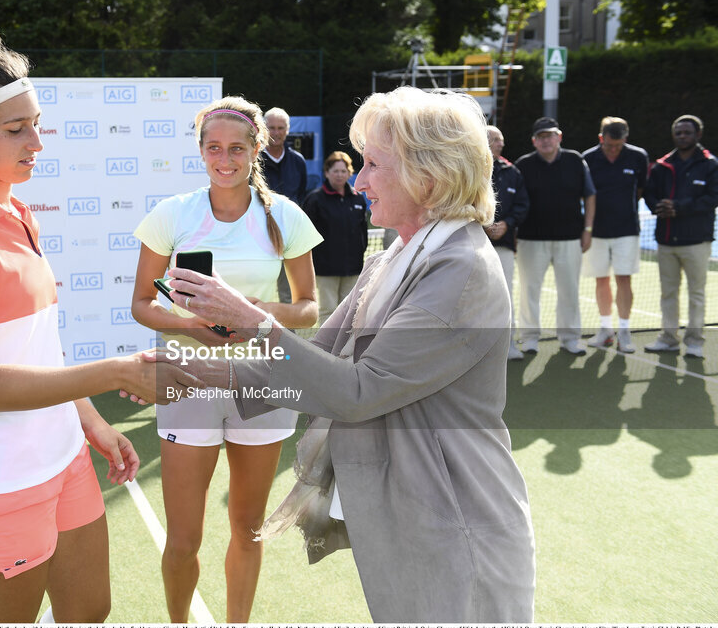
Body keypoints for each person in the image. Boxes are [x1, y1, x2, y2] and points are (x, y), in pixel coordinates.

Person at [156, 86, 535, 622]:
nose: (357, 181)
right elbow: (320, 357)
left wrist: (249, 317)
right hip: (415, 517)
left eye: (373, 164)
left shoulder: (461, 269)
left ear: (430, 174)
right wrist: (193, 373)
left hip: (457, 524)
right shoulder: (398, 256)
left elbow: (356, 391)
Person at [0, 11, 196, 624]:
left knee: (90, 614)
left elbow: (38, 350)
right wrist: (115, 371)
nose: (36, 144)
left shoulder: (15, 209)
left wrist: (88, 421)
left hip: (64, 461)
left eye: (36, 126)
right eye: (17, 130)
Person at [130, 96, 321, 622]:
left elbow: (307, 308)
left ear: (257, 148)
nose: (225, 159)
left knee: (247, 527)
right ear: (201, 151)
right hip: (189, 379)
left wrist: (254, 313)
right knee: (183, 539)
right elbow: (142, 304)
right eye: (214, 148)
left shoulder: (285, 215)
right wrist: (194, 325)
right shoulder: (172, 214)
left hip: (262, 379)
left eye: (237, 148)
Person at [515, 116, 596, 356]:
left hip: (570, 239)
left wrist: (588, 230)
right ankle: (529, 338)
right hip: (530, 239)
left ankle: (570, 338)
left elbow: (590, 196)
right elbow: (517, 202)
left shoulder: (575, 160)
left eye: (550, 135)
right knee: (530, 290)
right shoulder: (523, 164)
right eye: (541, 137)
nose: (546, 140)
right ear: (534, 141)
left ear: (559, 137)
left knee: (569, 290)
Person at [643, 114, 718, 358]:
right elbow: (649, 194)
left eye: (687, 132)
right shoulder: (662, 164)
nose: (682, 136)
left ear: (698, 135)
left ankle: (695, 342)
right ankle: (668, 339)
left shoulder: (710, 164)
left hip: (697, 242)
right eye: (678, 132)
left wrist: (679, 207)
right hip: (666, 241)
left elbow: (711, 198)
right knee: (668, 293)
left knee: (696, 294)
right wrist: (659, 207)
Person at [581, 117, 649, 353]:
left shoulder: (638, 156)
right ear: (601, 138)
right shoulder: (587, 159)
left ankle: (624, 331)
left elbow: (640, 189)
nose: (613, 149)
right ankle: (605, 329)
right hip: (596, 231)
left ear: (625, 140)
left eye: (618, 146)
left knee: (624, 279)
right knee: (601, 279)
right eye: (609, 145)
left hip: (627, 230)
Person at [301, 151, 369, 325]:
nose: (340, 175)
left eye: (343, 171)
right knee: (329, 310)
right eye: (335, 171)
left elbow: (363, 231)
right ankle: (326, 351)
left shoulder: (358, 199)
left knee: (350, 311)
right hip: (326, 268)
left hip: (352, 267)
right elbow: (306, 235)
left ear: (349, 173)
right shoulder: (315, 199)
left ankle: (344, 351)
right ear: (326, 172)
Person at [485, 125, 529, 360]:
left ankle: (509, 345)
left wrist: (506, 224)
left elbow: (522, 205)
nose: (500, 143)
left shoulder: (513, 172)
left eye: (501, 140)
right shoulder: (470, 169)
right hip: (473, 247)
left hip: (504, 247)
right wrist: (482, 225)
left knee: (506, 296)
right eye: (495, 139)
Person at [262, 107, 310, 304]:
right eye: (271, 127)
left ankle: (287, 336)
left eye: (280, 127)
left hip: (290, 239)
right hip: (258, 236)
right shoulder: (252, 161)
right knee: (255, 294)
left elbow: (300, 196)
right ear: (263, 129)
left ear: (288, 130)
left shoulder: (298, 161)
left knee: (289, 296)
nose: (276, 132)